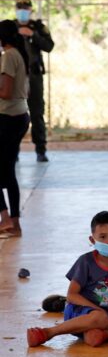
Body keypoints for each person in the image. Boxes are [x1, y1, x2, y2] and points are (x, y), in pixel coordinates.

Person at [26, 211, 108, 348]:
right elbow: (72, 295)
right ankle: (48, 333)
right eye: (102, 237)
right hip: (79, 314)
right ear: (92, 240)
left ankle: (103, 335)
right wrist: (100, 311)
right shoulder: (86, 261)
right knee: (99, 318)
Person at [0, 19, 31, 239]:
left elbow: (6, 92)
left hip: (7, 117)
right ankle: (14, 223)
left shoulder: (8, 56)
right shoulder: (18, 54)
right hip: (18, 115)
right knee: (8, 171)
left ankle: (6, 218)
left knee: (6, 171)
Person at [14, 0, 52, 163]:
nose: (23, 10)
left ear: (30, 9)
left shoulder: (38, 27)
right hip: (14, 77)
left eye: (25, 7)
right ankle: (13, 151)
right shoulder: (10, 27)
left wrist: (33, 35)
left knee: (37, 113)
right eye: (19, 7)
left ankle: (40, 150)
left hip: (34, 76)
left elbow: (49, 46)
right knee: (12, 113)